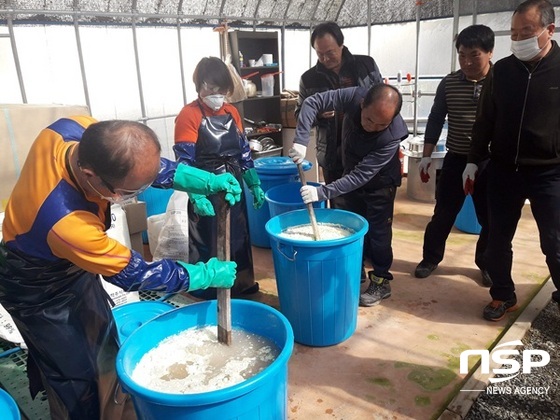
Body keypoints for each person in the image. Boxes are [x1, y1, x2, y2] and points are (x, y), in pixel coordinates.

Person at [0, 116, 240, 419]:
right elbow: (134, 273)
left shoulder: (72, 129)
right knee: (75, 374)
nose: (133, 197)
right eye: (128, 193)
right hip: (36, 285)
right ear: (90, 175)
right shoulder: (65, 222)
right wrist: (203, 274)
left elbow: (134, 161)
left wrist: (202, 181)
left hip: (69, 263)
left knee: (103, 344)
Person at [464, 0, 560, 321]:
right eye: (514, 33)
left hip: (550, 172)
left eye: (526, 32)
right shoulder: (502, 71)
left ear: (550, 29)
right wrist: (473, 160)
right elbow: (485, 119)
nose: (518, 40)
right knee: (495, 240)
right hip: (505, 169)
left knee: (555, 241)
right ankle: (503, 294)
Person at [289, 84, 408, 307]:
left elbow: (360, 176)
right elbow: (312, 102)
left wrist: (322, 192)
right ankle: (356, 270)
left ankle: (381, 281)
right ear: (362, 103)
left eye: (382, 124)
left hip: (380, 183)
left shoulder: (392, 136)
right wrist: (301, 139)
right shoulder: (354, 95)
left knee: (379, 234)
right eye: (369, 119)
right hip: (349, 168)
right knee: (350, 226)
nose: (373, 127)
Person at [174, 57, 265, 299]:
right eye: (211, 89)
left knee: (238, 237)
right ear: (199, 86)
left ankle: (242, 285)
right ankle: (211, 292)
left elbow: (244, 152)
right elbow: (184, 161)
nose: (216, 96)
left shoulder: (231, 111)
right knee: (209, 241)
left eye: (221, 90)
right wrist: (194, 193)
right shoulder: (188, 115)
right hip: (205, 187)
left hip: (233, 185)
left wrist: (253, 182)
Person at [414, 25, 495, 286]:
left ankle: (487, 264)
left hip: (489, 162)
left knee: (490, 218)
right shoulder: (449, 83)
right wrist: (427, 156)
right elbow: (436, 118)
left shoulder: (501, 81)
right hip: (456, 158)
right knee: (444, 213)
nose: (467, 62)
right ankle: (430, 258)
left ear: (490, 52)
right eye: (462, 55)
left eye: (475, 55)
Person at [294, 21, 383, 210]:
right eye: (319, 53)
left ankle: (364, 240)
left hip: (364, 148)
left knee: (368, 205)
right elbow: (299, 114)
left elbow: (380, 98)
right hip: (332, 153)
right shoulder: (309, 78)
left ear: (341, 45)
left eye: (330, 52)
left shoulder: (366, 65)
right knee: (340, 204)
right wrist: (318, 115)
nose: (325, 58)